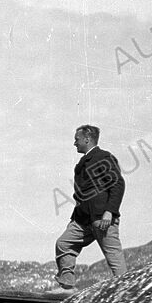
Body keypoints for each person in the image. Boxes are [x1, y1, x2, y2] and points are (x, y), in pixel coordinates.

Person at [51, 125, 127, 294]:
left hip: (102, 219)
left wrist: (110, 211)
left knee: (113, 257)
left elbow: (118, 184)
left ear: (87, 139)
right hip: (82, 220)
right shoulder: (83, 162)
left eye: (76, 139)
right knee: (64, 243)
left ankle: (125, 292)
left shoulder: (103, 157)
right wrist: (75, 217)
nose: (74, 143)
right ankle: (67, 285)